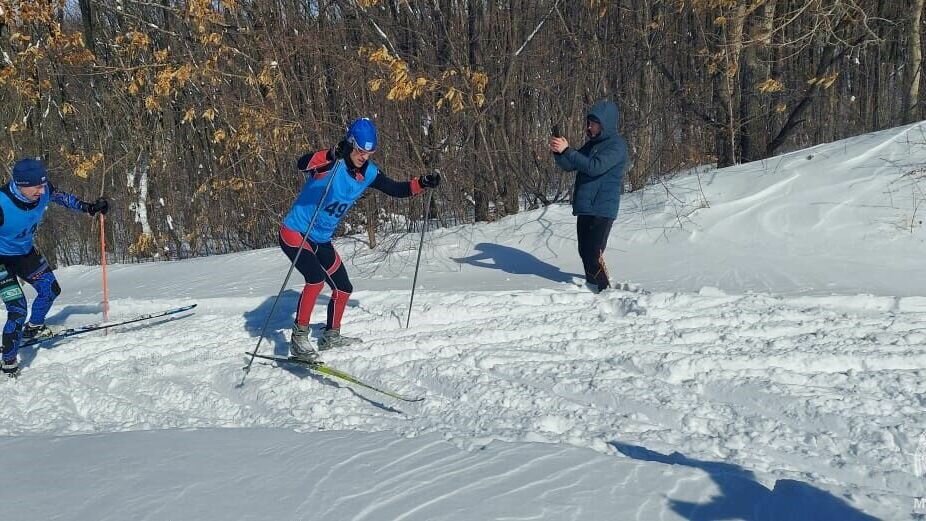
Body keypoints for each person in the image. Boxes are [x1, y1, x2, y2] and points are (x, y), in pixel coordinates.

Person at [280, 117, 440, 361]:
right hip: (296, 231)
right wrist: (331, 153)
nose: (363, 156)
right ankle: (299, 339)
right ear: (350, 143)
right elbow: (301, 164)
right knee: (315, 279)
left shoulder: (368, 173)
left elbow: (396, 189)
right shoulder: (330, 163)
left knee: (343, 288)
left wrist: (422, 184)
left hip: (321, 238)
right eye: (359, 151)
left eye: (369, 152)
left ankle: (330, 336)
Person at [1, 158, 109, 378]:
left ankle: (34, 327)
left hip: (24, 254)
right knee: (18, 308)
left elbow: (61, 197)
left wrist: (88, 208)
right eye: (37, 187)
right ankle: (8, 361)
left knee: (49, 289)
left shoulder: (44, 190)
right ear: (20, 184)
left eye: (43, 185)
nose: (42, 191)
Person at [549, 99, 628, 293]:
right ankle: (591, 287)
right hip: (585, 206)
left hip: (603, 208)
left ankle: (603, 290)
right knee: (584, 252)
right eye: (588, 122)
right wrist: (559, 152)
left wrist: (568, 150)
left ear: (604, 124)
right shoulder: (591, 145)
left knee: (594, 252)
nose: (588, 127)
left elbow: (594, 167)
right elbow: (570, 165)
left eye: (592, 123)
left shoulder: (617, 146)